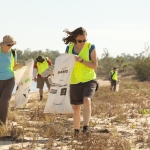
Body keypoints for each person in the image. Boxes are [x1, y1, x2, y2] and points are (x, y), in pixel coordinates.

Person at [62, 27, 98, 136]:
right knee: (76, 107)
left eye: (84, 40)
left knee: (87, 100)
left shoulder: (91, 47)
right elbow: (65, 64)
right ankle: (76, 131)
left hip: (89, 79)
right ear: (75, 39)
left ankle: (86, 128)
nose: (82, 43)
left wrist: (82, 60)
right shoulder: (69, 48)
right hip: (74, 81)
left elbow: (95, 65)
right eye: (79, 41)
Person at [0, 35, 24, 125]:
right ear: (3, 44)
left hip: (9, 79)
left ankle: (2, 123)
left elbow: (14, 66)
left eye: (12, 45)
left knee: (4, 102)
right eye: (9, 45)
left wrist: (24, 64)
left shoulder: (13, 53)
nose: (10, 46)